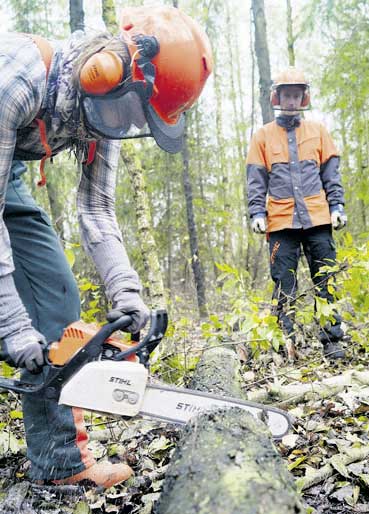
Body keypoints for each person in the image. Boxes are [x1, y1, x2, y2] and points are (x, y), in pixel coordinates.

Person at [0, 6, 213, 487]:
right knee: (12, 315)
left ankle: (59, 466)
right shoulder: (18, 83)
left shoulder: (102, 114)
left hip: (5, 168)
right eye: (128, 110)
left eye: (136, 116)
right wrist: (13, 325)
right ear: (105, 68)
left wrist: (127, 294)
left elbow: (96, 211)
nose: (121, 122)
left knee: (54, 297)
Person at [246, 67, 347, 361]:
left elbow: (331, 173)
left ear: (303, 97)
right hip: (280, 222)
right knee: (284, 285)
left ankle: (332, 341)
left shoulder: (318, 132)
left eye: (296, 95)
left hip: (318, 218)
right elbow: (256, 179)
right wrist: (256, 212)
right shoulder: (262, 136)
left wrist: (337, 205)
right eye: (286, 95)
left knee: (325, 280)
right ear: (278, 97)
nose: (291, 100)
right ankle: (286, 343)